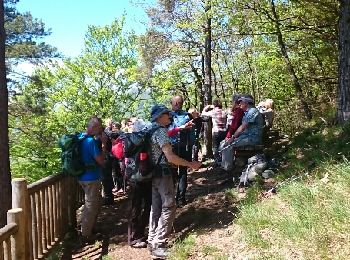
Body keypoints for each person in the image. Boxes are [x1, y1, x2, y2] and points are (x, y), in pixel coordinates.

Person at [147, 104, 201, 259]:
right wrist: (191, 164)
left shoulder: (149, 130)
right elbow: (170, 157)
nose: (170, 117)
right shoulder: (160, 132)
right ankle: (159, 244)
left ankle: (152, 239)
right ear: (159, 116)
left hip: (152, 173)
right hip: (163, 173)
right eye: (167, 115)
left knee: (156, 207)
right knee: (169, 206)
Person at [78, 116, 106, 243]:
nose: (100, 131)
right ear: (94, 127)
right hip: (91, 178)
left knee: (92, 203)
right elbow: (101, 161)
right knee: (91, 206)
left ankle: (88, 229)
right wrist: (104, 145)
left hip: (82, 176)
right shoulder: (90, 142)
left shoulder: (80, 138)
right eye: (99, 128)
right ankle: (86, 235)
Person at [168, 95, 193, 207]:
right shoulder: (188, 116)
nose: (172, 105)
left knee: (173, 173)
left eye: (173, 103)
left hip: (173, 147)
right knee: (182, 173)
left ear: (176, 103)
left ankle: (174, 198)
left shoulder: (167, 116)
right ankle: (180, 198)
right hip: (184, 147)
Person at [201, 99, 227, 164]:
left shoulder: (213, 112)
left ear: (214, 105)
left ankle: (217, 161)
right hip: (224, 131)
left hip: (216, 132)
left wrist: (207, 107)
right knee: (224, 146)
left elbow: (203, 113)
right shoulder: (224, 112)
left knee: (216, 147)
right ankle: (224, 160)